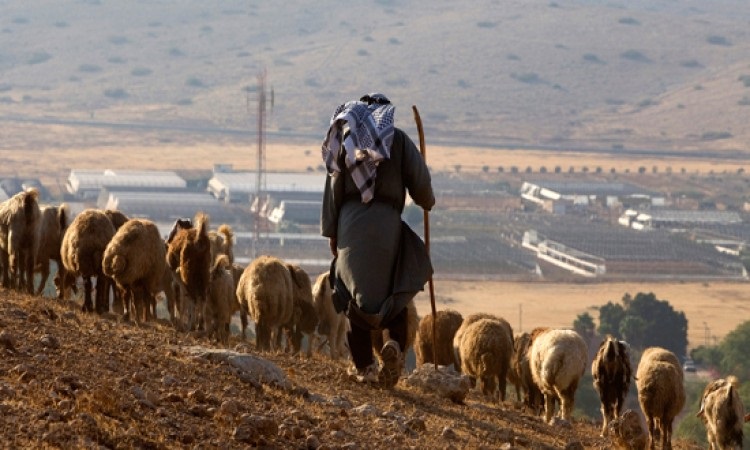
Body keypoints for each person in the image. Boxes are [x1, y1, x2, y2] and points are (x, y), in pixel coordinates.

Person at [320, 93, 435, 388]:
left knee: (350, 295)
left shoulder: (345, 140)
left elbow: (333, 187)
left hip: (350, 226)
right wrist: (427, 200)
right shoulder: (396, 140)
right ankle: (393, 344)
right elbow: (421, 184)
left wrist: (332, 232)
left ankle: (365, 367)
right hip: (387, 225)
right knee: (393, 294)